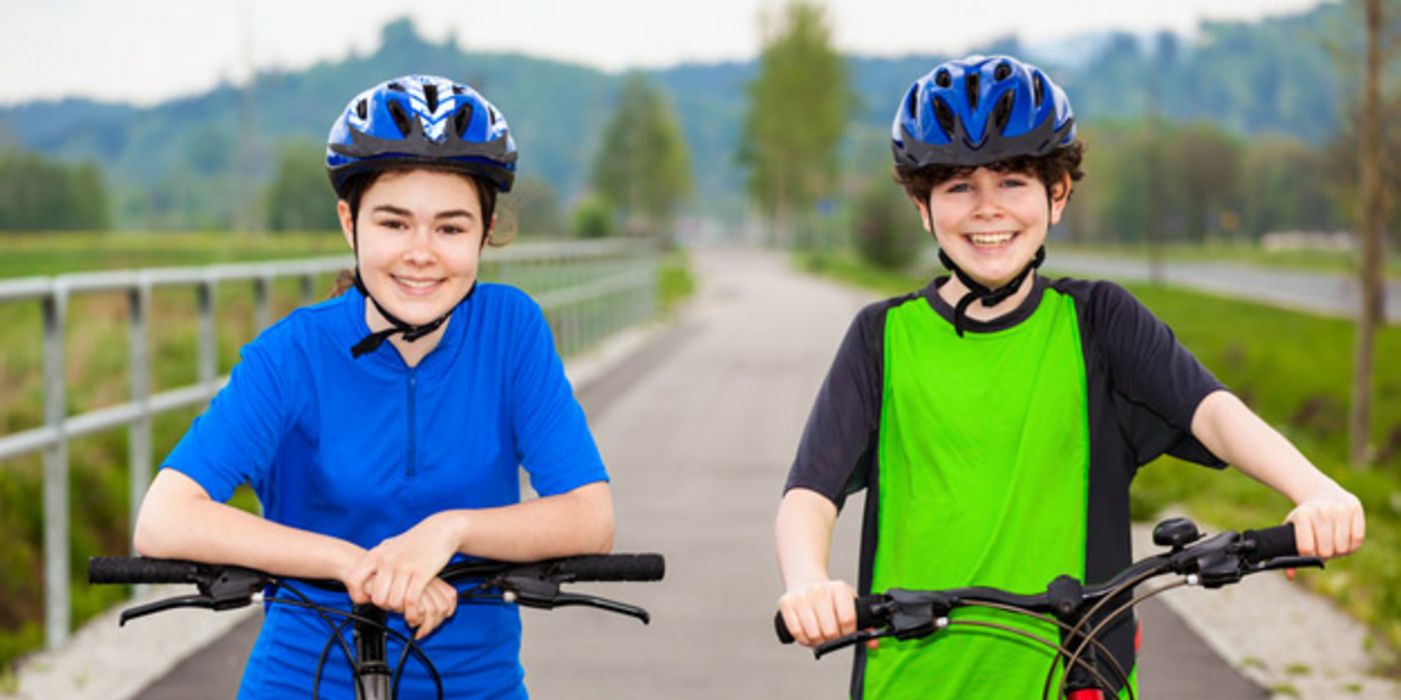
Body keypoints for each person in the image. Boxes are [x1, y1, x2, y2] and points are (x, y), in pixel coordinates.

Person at [773, 55, 1366, 699]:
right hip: (914, 680)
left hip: (1075, 674)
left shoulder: (1098, 321)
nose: (987, 209)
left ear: (1057, 194)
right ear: (923, 206)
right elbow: (812, 488)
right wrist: (807, 579)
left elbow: (1214, 413)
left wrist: (1315, 490)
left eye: (1012, 181)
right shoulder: (881, 338)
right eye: (957, 187)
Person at [133, 74, 614, 699]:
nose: (422, 253)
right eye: (394, 223)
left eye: (450, 228)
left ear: (484, 231)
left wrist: (448, 532)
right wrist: (358, 566)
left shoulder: (510, 329)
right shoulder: (293, 353)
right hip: (302, 683)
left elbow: (589, 515)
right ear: (349, 222)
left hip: (475, 685)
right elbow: (165, 519)